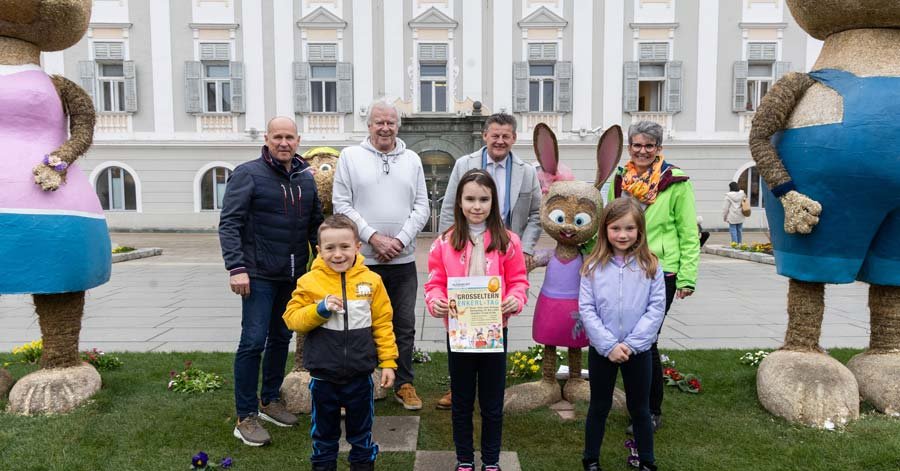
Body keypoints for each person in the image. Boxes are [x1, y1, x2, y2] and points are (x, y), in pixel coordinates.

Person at [219, 116, 324, 446]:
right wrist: (236, 267)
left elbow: (315, 226)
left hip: (292, 276)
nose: (283, 142)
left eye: (289, 137)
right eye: (277, 136)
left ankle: (269, 400)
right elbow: (229, 223)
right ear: (266, 139)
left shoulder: (305, 179)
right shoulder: (248, 174)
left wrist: (325, 260)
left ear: (298, 140)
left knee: (281, 336)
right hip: (258, 275)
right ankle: (246, 415)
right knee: (252, 342)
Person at [435, 112, 542, 409]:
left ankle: (490, 391)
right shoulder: (464, 165)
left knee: (496, 323)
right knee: (459, 322)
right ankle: (460, 388)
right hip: (466, 255)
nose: (500, 140)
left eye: (506, 135)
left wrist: (526, 249)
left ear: (514, 138)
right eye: (494, 134)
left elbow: (536, 213)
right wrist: (450, 242)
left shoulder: (526, 171)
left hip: (504, 256)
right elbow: (448, 207)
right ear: (484, 135)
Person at [425, 169, 529, 471]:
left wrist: (516, 298)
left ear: (493, 202)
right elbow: (434, 283)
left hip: (495, 331)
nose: (476, 205)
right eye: (470, 198)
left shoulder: (509, 241)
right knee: (462, 400)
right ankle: (465, 459)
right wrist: (436, 302)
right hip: (459, 333)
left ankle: (492, 460)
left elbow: (519, 280)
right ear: (458, 201)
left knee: (492, 402)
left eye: (484, 199)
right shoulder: (444, 242)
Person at [332, 99, 430, 410]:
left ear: (397, 125)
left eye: (390, 122)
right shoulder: (350, 157)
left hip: (402, 260)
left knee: (403, 323)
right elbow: (342, 205)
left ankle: (404, 383)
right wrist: (373, 237)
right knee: (360, 323)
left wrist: (399, 241)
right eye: (379, 122)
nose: (385, 127)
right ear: (369, 125)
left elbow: (423, 207)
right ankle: (364, 383)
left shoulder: (412, 159)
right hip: (364, 261)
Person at [282, 214, 398, 471]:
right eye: (330, 248)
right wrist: (319, 310)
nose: (338, 254)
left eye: (345, 247)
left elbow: (383, 324)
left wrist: (388, 362)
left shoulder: (372, 281)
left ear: (358, 247)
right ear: (319, 250)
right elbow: (292, 319)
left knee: (362, 437)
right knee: (323, 439)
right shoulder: (308, 282)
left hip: (360, 376)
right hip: (323, 378)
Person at [608, 121, 699, 433]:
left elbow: (688, 232)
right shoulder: (620, 179)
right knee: (624, 337)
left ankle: (649, 412)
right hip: (623, 267)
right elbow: (610, 220)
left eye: (649, 146)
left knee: (647, 340)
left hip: (662, 271)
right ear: (629, 148)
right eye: (637, 145)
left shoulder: (676, 182)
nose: (643, 151)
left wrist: (688, 276)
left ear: (659, 148)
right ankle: (636, 405)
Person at [579, 197, 665, 471]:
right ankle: (591, 459)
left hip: (636, 351)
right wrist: (607, 345)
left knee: (639, 409)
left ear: (639, 230)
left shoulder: (651, 265)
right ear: (605, 230)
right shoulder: (592, 266)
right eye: (616, 228)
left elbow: (655, 309)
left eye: (629, 228)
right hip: (603, 350)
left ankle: (647, 461)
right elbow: (587, 309)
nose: (623, 235)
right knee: (599, 406)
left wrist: (630, 344)